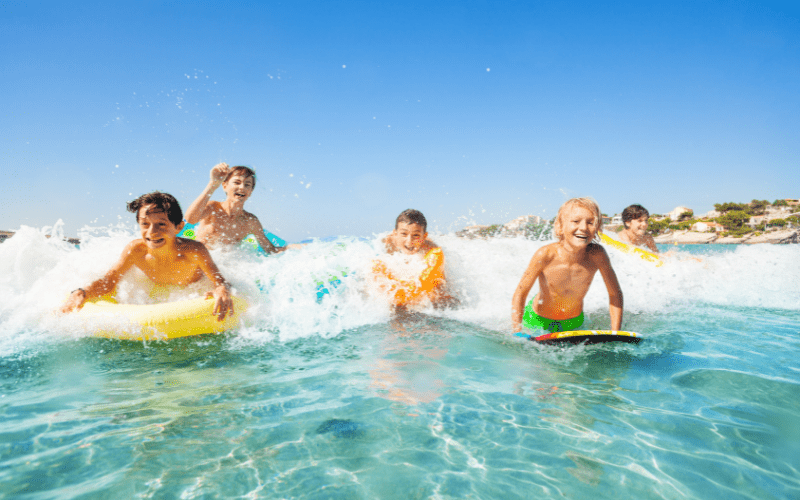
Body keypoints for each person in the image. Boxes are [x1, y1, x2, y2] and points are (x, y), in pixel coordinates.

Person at [60, 192, 233, 320]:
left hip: (192, 290)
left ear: (179, 227)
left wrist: (222, 290)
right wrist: (82, 292)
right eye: (145, 224)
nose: (152, 232)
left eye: (161, 224)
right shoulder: (136, 250)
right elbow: (109, 282)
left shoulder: (194, 251)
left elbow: (220, 281)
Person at [511, 197, 623, 334]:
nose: (583, 228)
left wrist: (615, 332)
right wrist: (516, 331)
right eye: (576, 221)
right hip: (537, 320)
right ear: (560, 226)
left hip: (573, 322)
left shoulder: (597, 255)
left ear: (597, 227)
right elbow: (520, 293)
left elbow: (615, 294)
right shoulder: (545, 254)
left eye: (591, 222)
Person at [185, 163, 291, 253]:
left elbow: (270, 250)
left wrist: (294, 248)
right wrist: (213, 184)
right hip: (201, 261)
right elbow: (190, 219)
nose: (242, 187)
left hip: (226, 266)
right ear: (225, 186)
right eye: (237, 182)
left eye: (247, 185)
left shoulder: (250, 221)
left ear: (250, 192)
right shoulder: (213, 208)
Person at [372, 209, 455, 308]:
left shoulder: (431, 250)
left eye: (416, 235)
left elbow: (434, 279)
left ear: (424, 236)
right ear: (395, 233)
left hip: (431, 282)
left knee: (439, 297)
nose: (409, 241)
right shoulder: (389, 243)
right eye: (404, 234)